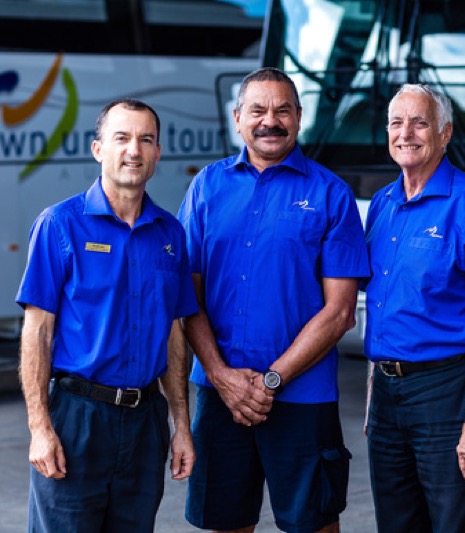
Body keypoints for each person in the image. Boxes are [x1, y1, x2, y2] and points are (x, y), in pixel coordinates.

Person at [177, 67, 370, 533]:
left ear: (299, 118)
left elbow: (340, 310)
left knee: (313, 524)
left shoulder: (331, 194)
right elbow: (187, 296)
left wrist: (270, 380)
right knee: (225, 523)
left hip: (303, 397)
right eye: (259, 110)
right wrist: (222, 377)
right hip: (219, 394)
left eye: (283, 110)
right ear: (238, 118)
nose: (271, 120)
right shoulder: (207, 187)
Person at [15, 98, 199, 532]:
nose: (133, 150)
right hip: (78, 418)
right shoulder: (60, 225)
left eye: (145, 140)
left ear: (157, 153)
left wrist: (181, 425)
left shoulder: (171, 234)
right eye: (122, 138)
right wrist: (40, 427)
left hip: (145, 421)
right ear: (98, 149)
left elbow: (175, 334)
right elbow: (37, 333)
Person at [362, 83, 465, 533]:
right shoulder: (383, 205)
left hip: (448, 393)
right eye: (396, 122)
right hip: (389, 400)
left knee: (457, 523)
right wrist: (375, 396)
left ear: (445, 133)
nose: (405, 133)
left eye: (420, 122)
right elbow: (384, 306)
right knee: (397, 524)